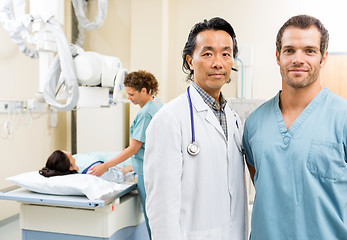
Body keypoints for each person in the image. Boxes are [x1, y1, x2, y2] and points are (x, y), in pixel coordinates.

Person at [242, 14, 347, 240]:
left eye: (309, 50)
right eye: (289, 50)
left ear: (323, 58)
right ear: (278, 56)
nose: (298, 59)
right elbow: (264, 184)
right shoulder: (255, 123)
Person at [143, 17, 248, 240]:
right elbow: (161, 209)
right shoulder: (169, 119)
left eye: (226, 54)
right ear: (190, 61)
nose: (218, 63)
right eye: (208, 53)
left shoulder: (233, 118)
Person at [88, 70, 162, 239]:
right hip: (148, 167)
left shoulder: (145, 114)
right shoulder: (156, 103)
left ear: (144, 90)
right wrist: (130, 166)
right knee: (156, 215)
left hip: (148, 172)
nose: (128, 98)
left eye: (131, 94)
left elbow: (134, 148)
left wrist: (105, 166)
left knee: (152, 217)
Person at [39, 150, 134, 183]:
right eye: (70, 156)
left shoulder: (77, 162)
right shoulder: (92, 172)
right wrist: (128, 168)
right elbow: (118, 175)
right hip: (126, 165)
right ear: (70, 167)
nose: (70, 153)